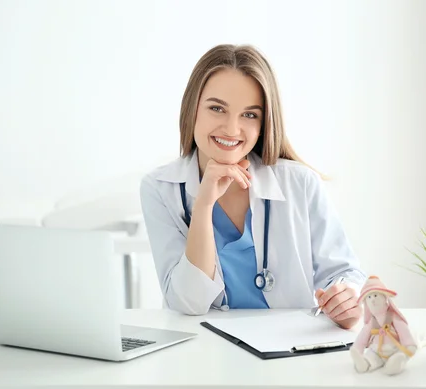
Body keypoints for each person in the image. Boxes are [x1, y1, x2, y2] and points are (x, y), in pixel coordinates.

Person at [139, 44, 367, 328]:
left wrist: (347, 300)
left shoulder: (301, 183)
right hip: (203, 354)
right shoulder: (160, 189)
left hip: (287, 352)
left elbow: (344, 274)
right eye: (217, 108)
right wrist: (204, 204)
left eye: (249, 115)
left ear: (264, 123)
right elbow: (188, 303)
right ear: (192, 109)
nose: (232, 129)